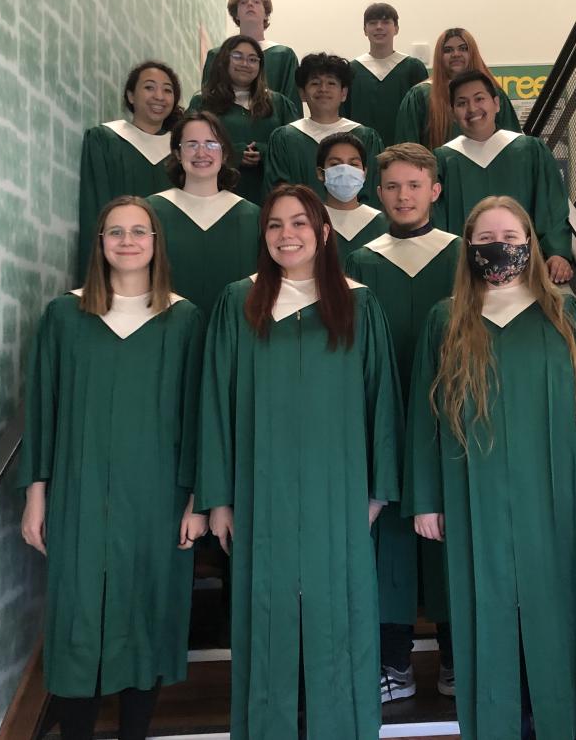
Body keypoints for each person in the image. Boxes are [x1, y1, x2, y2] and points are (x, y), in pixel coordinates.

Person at [404, 196, 576, 740]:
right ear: (469, 248)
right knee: (487, 607)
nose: (497, 247)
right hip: (469, 490)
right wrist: (427, 497)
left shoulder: (565, 312)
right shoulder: (446, 319)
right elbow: (423, 418)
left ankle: (561, 721)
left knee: (558, 605)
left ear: (529, 242)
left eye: (508, 235)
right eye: (484, 239)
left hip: (555, 492)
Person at [196, 184, 403, 740]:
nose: (287, 235)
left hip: (340, 492)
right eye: (274, 226)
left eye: (299, 224)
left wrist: (378, 492)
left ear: (324, 233)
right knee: (267, 616)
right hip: (260, 493)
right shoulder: (238, 303)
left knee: (340, 614)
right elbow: (215, 402)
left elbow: (382, 400)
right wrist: (217, 497)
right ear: (263, 237)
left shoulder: (360, 304)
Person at [19, 196, 207, 740]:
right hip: (78, 494)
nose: (127, 241)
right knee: (77, 610)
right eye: (115, 232)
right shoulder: (65, 315)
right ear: (99, 243)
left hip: (157, 496)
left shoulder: (183, 318)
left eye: (139, 232)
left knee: (146, 609)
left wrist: (198, 497)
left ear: (155, 243)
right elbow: (44, 408)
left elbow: (198, 416)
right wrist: (37, 495)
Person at [343, 143, 461, 703]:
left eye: (414, 185)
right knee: (388, 539)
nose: (403, 195)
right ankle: (393, 662)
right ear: (378, 192)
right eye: (392, 186)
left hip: (452, 416)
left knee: (451, 536)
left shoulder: (464, 255)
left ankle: (457, 656)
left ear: (435, 190)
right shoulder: (362, 262)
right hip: (382, 416)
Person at [434, 70, 574, 283]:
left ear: (496, 104)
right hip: (465, 277)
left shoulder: (529, 150)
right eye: (462, 103)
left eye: (479, 99)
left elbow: (551, 205)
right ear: (453, 113)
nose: (472, 109)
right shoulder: (443, 160)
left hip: (527, 273)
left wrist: (557, 252)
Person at [148, 110, 261, 316]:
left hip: (233, 334)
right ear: (177, 153)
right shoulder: (152, 212)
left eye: (211, 144)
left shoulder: (252, 217)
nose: (201, 153)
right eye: (191, 145)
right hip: (167, 331)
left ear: (224, 153)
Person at [78, 62, 182, 278]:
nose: (159, 96)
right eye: (149, 87)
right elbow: (95, 208)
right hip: (119, 259)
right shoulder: (106, 140)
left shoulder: (181, 150)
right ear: (131, 96)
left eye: (167, 90)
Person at [188, 35, 300, 205]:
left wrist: (264, 152)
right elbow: (188, 145)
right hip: (216, 196)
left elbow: (294, 150)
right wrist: (234, 153)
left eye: (253, 59)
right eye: (238, 57)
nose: (245, 64)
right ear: (224, 60)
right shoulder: (203, 103)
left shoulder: (280, 104)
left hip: (269, 197)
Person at [264, 52, 385, 203]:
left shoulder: (365, 137)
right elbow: (277, 195)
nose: (323, 89)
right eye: (315, 83)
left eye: (331, 83)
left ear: (344, 93)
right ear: (302, 93)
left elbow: (374, 192)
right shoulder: (284, 138)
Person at [394, 27, 520, 149]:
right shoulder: (420, 95)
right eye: (448, 50)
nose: (456, 54)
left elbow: (511, 143)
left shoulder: (493, 93)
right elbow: (408, 150)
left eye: (463, 48)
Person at [342, 3, 428, 148]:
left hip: (405, 151)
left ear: (396, 29)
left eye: (386, 22)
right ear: (365, 30)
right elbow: (344, 115)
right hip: (360, 152)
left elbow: (424, 116)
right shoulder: (351, 70)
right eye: (373, 23)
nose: (379, 27)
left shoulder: (413, 68)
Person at [202, 0, 299, 102]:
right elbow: (207, 100)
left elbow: (291, 104)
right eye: (243, 2)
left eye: (256, 2)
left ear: (266, 14)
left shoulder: (284, 56)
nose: (250, 4)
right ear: (236, 14)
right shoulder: (217, 55)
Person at [315, 132, 388, 262]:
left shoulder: (382, 224)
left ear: (364, 173)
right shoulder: (310, 221)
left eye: (353, 165)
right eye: (336, 164)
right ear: (321, 173)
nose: (345, 171)